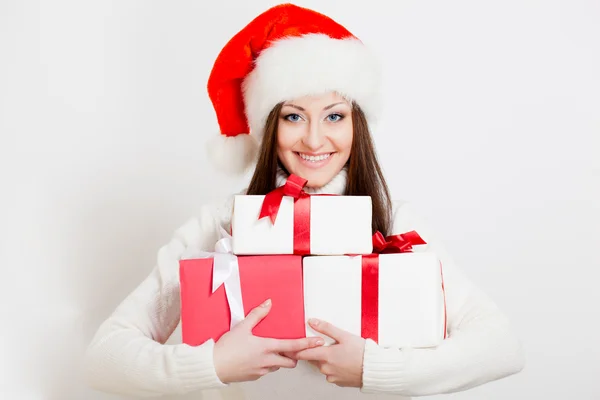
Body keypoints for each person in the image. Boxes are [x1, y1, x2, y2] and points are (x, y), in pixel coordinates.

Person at [84, 3, 525, 399]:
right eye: (293, 116)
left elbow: (501, 347)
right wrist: (211, 365)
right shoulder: (222, 223)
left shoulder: (391, 222)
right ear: (269, 126)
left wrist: (378, 369)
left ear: (358, 126)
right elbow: (104, 357)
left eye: (334, 116)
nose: (314, 139)